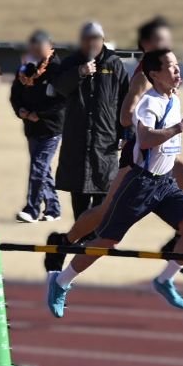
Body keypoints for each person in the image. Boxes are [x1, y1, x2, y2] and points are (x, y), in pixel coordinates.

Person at [47, 49, 183, 317]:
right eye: (171, 66)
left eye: (177, 64)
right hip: (140, 184)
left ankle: (165, 279)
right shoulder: (149, 103)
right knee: (106, 241)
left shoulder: (173, 98)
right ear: (154, 74)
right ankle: (61, 282)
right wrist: (180, 127)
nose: (177, 70)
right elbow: (145, 140)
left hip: (165, 184)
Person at [51, 22, 129, 220]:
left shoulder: (114, 64)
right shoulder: (70, 62)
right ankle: (81, 233)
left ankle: (94, 236)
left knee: (103, 200)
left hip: (105, 142)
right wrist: (79, 72)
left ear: (103, 40)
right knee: (79, 199)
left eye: (95, 39)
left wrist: (126, 133)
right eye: (87, 39)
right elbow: (59, 87)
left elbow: (126, 100)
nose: (91, 43)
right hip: (77, 141)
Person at [9, 30, 65, 223]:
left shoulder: (58, 69)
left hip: (51, 128)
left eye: (40, 44)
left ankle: (32, 209)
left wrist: (39, 114)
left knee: (38, 166)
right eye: (33, 45)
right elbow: (15, 94)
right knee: (42, 169)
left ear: (50, 45)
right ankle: (54, 209)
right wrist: (21, 111)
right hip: (31, 128)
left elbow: (62, 101)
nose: (36, 48)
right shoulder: (25, 68)